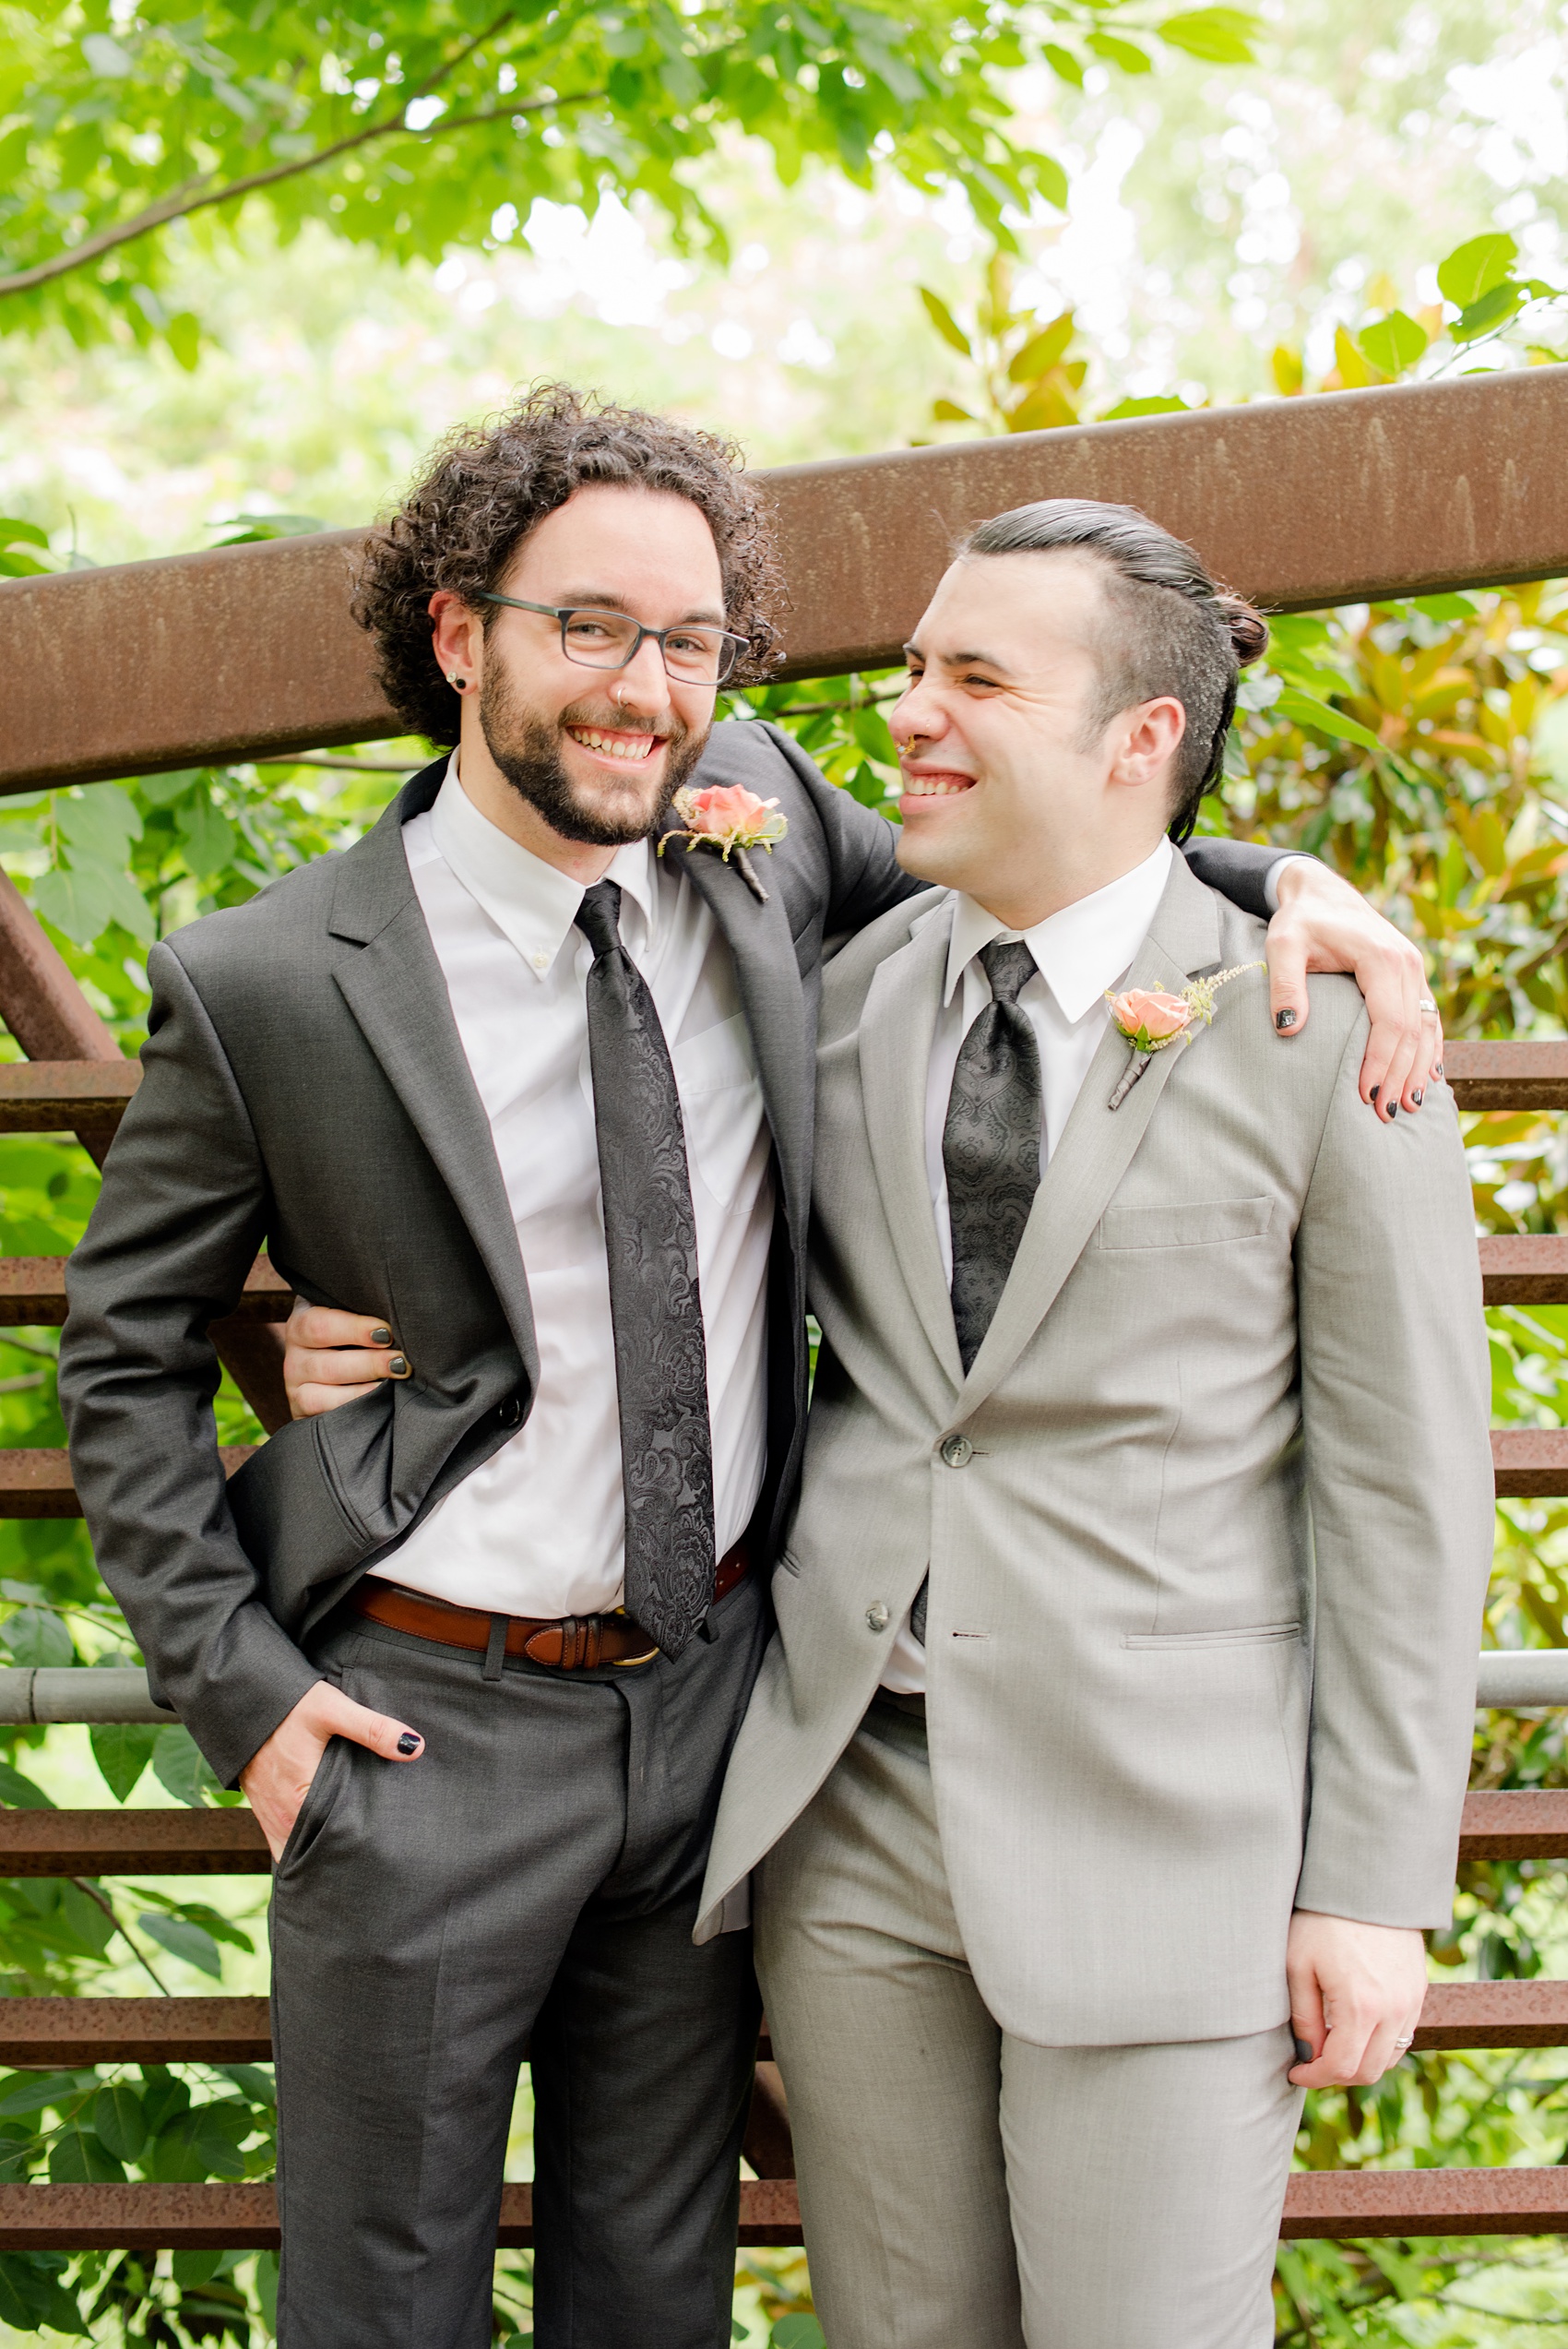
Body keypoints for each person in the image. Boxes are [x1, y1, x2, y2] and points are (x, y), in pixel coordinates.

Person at [61, 387, 1439, 2349]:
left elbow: (1077, 856)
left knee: (659, 2297)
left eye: (694, 640)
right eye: (592, 628)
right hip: (417, 1729)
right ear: (460, 632)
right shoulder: (274, 976)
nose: (650, 687)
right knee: (381, 2304)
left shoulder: (767, 834)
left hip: (715, 1729)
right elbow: (116, 1358)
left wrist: (1285, 885)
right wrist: (248, 1697)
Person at [691, 497, 1495, 2349]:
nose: (908, 712)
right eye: (909, 665)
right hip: (854, 1819)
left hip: (1172, 1845)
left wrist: (1370, 1886)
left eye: (976, 675)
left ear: (1143, 739)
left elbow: (1404, 1488)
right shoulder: (841, 998)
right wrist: (358, 1320)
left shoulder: (1320, 1028)